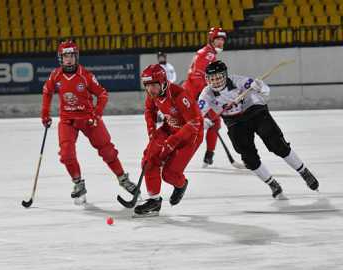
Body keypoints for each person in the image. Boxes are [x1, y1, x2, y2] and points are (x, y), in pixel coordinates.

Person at [198, 60, 319, 199]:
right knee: (249, 159)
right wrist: (202, 122)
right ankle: (273, 184)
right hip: (234, 121)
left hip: (255, 111)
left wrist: (260, 87)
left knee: (277, 144)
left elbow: (266, 90)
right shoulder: (206, 94)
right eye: (212, 79)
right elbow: (196, 115)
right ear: (207, 79)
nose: (216, 82)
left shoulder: (239, 81)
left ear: (226, 76)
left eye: (219, 78)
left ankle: (304, 171)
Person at [40, 40, 138, 204]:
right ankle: (78, 184)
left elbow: (103, 94)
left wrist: (97, 115)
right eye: (66, 56)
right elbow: (46, 92)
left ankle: (123, 179)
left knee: (108, 151)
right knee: (66, 154)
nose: (69, 59)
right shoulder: (55, 75)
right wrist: (45, 114)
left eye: (72, 55)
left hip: (88, 119)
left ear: (76, 57)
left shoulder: (86, 76)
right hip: (67, 121)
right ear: (60, 58)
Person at [134, 64, 203, 217]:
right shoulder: (153, 94)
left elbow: (194, 123)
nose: (150, 90)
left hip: (191, 135)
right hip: (170, 128)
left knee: (169, 174)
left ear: (163, 82)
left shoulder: (179, 95)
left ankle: (181, 184)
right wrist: (151, 131)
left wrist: (172, 142)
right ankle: (154, 201)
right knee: (149, 160)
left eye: (154, 85)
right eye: (147, 86)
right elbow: (149, 110)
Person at [183, 27, 227, 167]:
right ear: (211, 40)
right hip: (194, 95)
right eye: (217, 39)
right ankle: (179, 155)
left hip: (195, 94)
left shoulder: (209, 53)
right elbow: (196, 77)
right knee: (196, 127)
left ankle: (208, 156)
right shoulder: (208, 54)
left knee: (214, 121)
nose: (220, 42)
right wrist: (200, 101)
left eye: (222, 40)